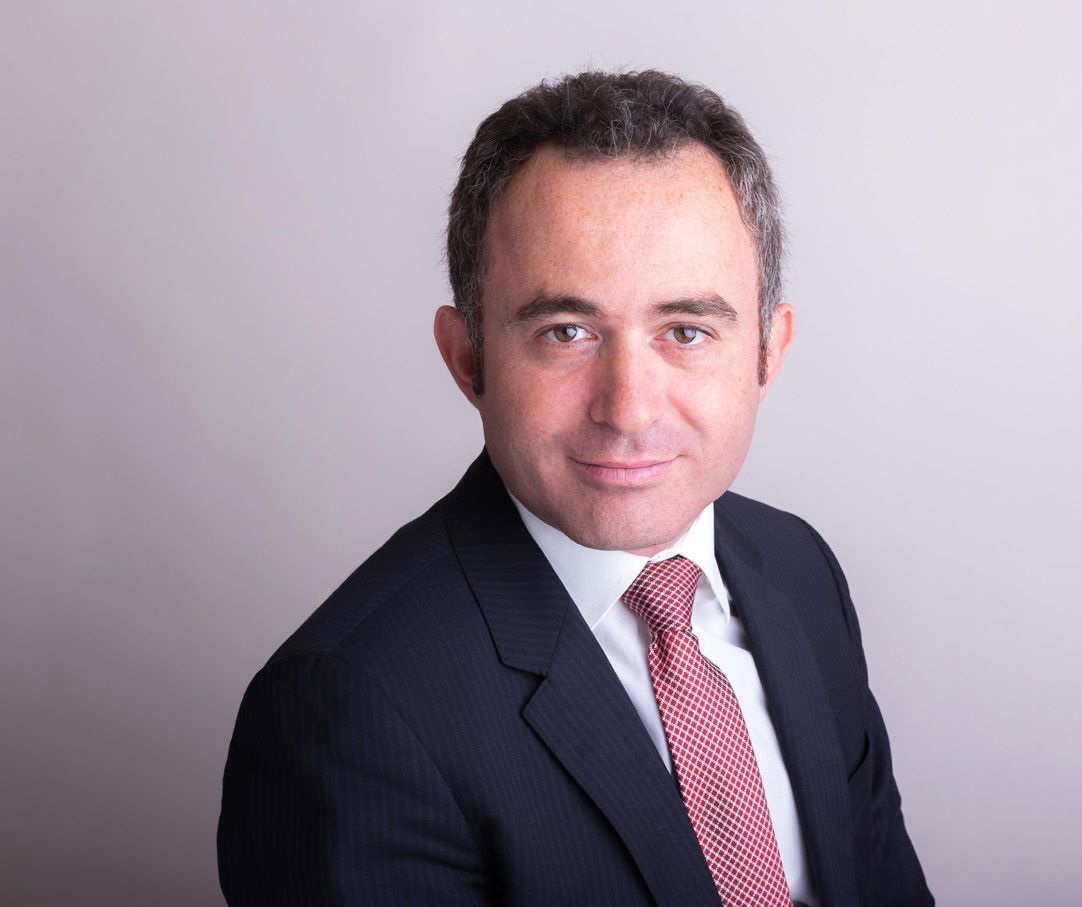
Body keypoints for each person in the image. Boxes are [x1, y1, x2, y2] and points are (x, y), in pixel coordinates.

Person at [217, 69, 933, 906]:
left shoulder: (800, 570)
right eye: (567, 332)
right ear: (468, 358)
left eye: (687, 331)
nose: (628, 408)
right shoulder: (348, 710)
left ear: (769, 351)